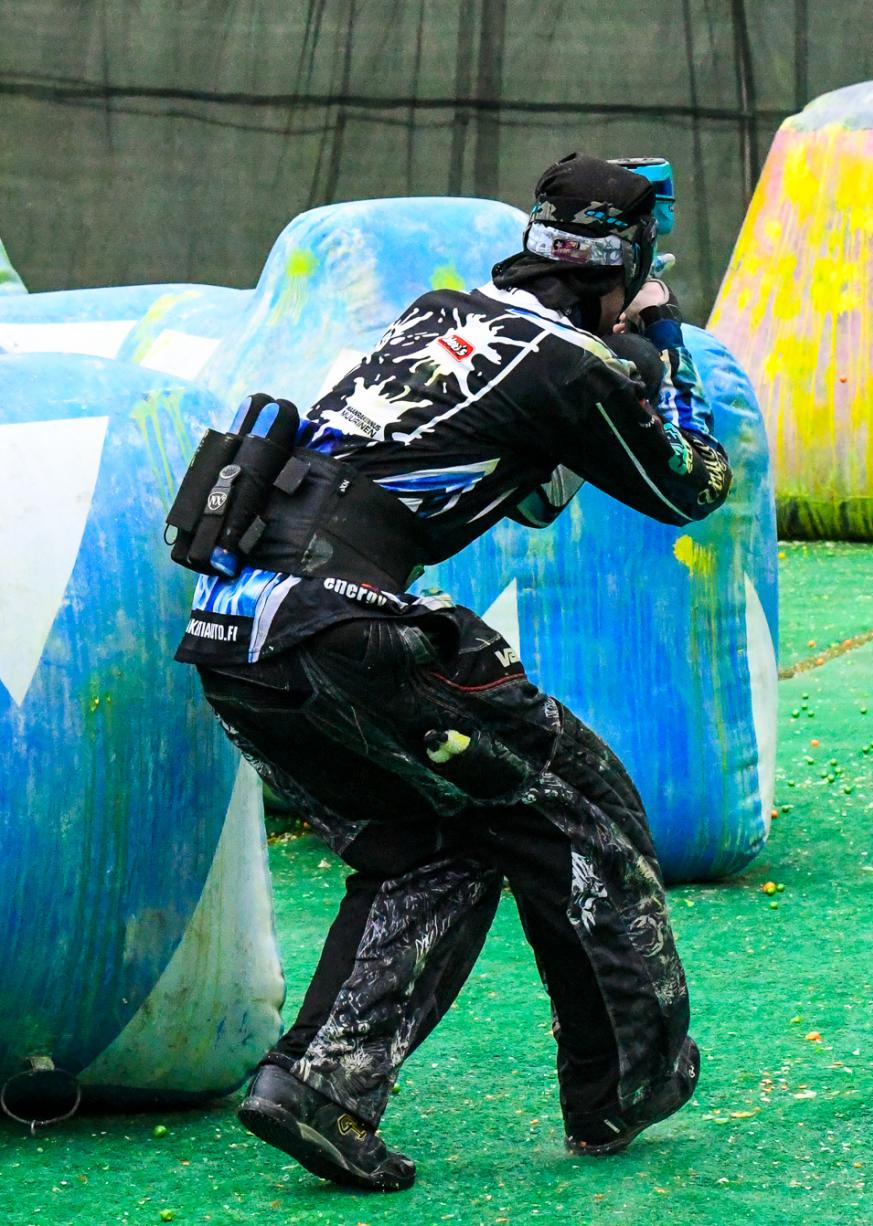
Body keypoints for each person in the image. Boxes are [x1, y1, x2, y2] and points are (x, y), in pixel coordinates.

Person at [167, 153, 730, 1191]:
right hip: (342, 625)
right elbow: (692, 483)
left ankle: (321, 1087)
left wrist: (618, 362)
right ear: (623, 264)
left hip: (234, 628)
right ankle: (625, 1084)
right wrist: (664, 344)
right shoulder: (571, 363)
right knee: (583, 806)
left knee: (431, 847)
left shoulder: (439, 315)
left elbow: (528, 493)